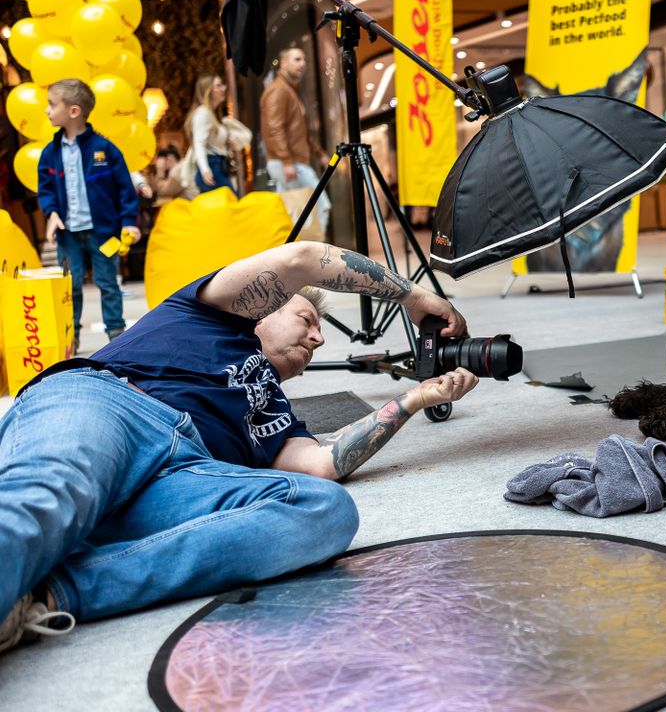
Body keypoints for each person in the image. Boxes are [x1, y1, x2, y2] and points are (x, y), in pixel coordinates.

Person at [0, 240, 477, 652]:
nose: (318, 336)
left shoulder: (274, 411)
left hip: (182, 473)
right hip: (111, 404)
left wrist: (415, 398)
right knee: (52, 493)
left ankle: (48, 595)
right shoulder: (206, 312)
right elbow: (305, 259)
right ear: (265, 306)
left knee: (326, 510)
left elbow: (321, 465)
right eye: (306, 318)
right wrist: (412, 296)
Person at [37, 78, 141, 348]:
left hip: (104, 233)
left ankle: (116, 336)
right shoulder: (50, 153)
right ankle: (71, 336)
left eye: (51, 105)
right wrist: (52, 214)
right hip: (68, 234)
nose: (47, 110)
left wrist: (129, 222)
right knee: (70, 287)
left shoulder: (105, 150)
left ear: (74, 111)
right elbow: (46, 189)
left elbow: (124, 189)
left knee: (108, 283)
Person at [261, 47, 330, 233]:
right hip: (289, 162)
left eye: (304, 60)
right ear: (283, 63)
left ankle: (298, 254)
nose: (303, 64)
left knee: (291, 213)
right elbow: (274, 128)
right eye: (297, 59)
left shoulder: (290, 90)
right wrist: (286, 161)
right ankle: (314, 254)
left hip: (290, 161)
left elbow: (301, 133)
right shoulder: (278, 91)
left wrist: (320, 154)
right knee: (320, 205)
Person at [186, 75, 236, 195]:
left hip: (218, 167)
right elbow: (199, 143)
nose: (223, 88)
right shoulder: (203, 114)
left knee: (226, 208)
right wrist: (205, 170)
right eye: (218, 86)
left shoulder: (211, 114)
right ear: (208, 91)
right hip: (212, 169)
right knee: (231, 207)